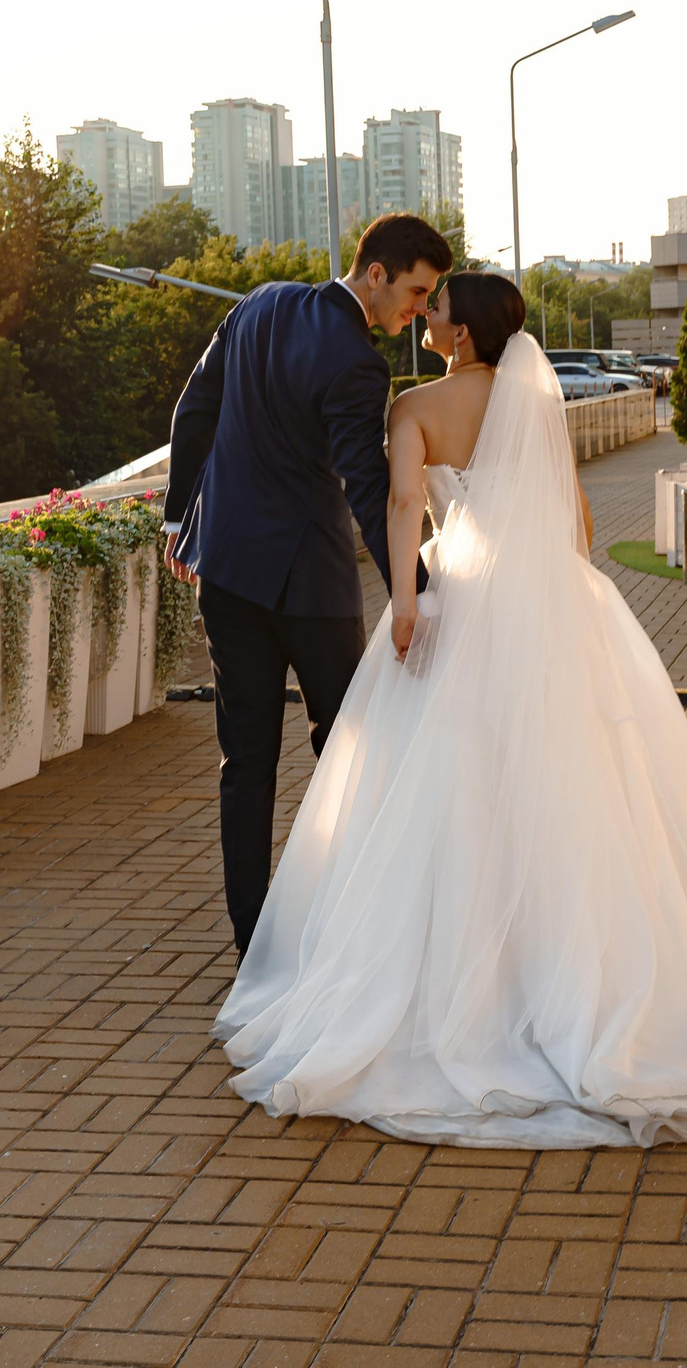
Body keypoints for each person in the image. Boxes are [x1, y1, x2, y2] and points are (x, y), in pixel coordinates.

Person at [214, 273, 687, 1148]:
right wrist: (559, 589)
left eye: (435, 306)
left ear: (460, 330)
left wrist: (410, 605)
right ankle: (565, 978)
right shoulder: (535, 400)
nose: (423, 314)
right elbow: (573, 513)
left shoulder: (413, 407)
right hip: (546, 601)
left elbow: (396, 506)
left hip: (457, 597)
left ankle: (465, 985)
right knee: (561, 784)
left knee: (447, 789)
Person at [163, 212, 453, 956]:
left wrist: (178, 524)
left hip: (224, 571)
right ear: (377, 273)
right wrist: (412, 590)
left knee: (246, 762)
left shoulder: (257, 304)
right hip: (309, 588)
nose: (418, 309)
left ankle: (253, 946)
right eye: (416, 292)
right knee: (354, 746)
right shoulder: (357, 361)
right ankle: (368, 927)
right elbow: (368, 486)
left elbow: (192, 411)